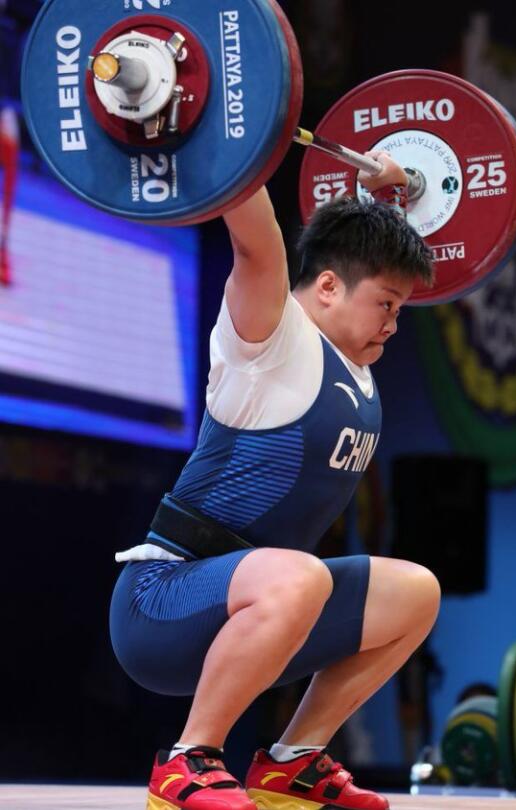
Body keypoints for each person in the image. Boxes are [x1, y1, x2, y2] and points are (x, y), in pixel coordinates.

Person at [110, 151, 441, 810]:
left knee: (414, 592)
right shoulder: (269, 339)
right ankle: (187, 762)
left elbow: (359, 246)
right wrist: (236, 131)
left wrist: (390, 196)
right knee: (302, 573)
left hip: (263, 614)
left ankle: (293, 760)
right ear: (324, 287)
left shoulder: (353, 361)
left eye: (398, 307)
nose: (391, 323)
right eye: (385, 303)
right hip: (162, 606)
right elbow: (257, 244)